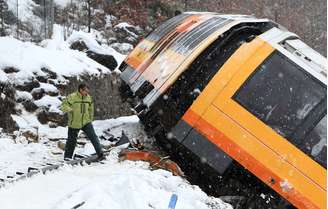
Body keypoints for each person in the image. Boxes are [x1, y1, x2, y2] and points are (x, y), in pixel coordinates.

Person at [60, 83, 104, 160]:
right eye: (85, 91)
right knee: (71, 141)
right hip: (74, 123)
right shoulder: (72, 97)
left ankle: (100, 154)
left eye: (87, 91)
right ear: (80, 90)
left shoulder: (88, 98)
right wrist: (69, 109)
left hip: (86, 122)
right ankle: (67, 158)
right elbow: (63, 105)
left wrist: (90, 118)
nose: (87, 93)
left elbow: (91, 108)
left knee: (93, 137)